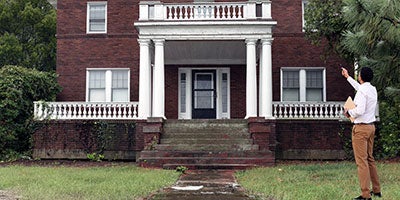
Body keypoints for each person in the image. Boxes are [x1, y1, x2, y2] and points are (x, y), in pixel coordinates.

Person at [342, 67, 381, 200]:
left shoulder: (362, 92)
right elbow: (360, 88)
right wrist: (347, 77)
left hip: (361, 129)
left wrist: (348, 112)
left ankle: (365, 195)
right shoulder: (371, 89)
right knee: (370, 159)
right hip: (371, 128)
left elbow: (359, 110)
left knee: (362, 162)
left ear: (361, 76)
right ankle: (377, 190)